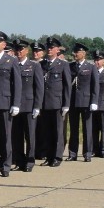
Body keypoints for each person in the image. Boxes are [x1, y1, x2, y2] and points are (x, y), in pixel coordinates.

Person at [0, 31, 21, 177]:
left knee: (6, 136)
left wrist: (16, 103)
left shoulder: (11, 60)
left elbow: (17, 83)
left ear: (4, 44)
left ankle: (6, 165)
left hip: (5, 103)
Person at [11, 40, 44, 172]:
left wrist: (37, 106)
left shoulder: (34, 66)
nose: (19, 52)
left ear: (27, 51)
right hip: (15, 106)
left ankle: (30, 160)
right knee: (16, 135)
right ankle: (19, 160)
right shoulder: (13, 65)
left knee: (30, 135)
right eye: (17, 49)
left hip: (29, 105)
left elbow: (39, 87)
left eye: (22, 49)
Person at [40, 37, 73, 167]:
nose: (49, 49)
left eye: (52, 47)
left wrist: (66, 104)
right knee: (47, 131)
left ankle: (57, 157)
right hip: (44, 103)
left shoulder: (63, 64)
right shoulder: (41, 64)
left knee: (58, 131)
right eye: (48, 47)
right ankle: (49, 156)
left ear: (57, 50)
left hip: (57, 103)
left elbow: (67, 86)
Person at [67, 42, 100, 162]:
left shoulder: (91, 67)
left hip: (86, 102)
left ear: (83, 53)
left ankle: (87, 153)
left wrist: (94, 101)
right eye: (74, 52)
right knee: (73, 129)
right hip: (73, 102)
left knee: (87, 128)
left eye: (77, 52)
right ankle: (72, 153)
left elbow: (95, 85)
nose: (75, 54)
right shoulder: (70, 66)